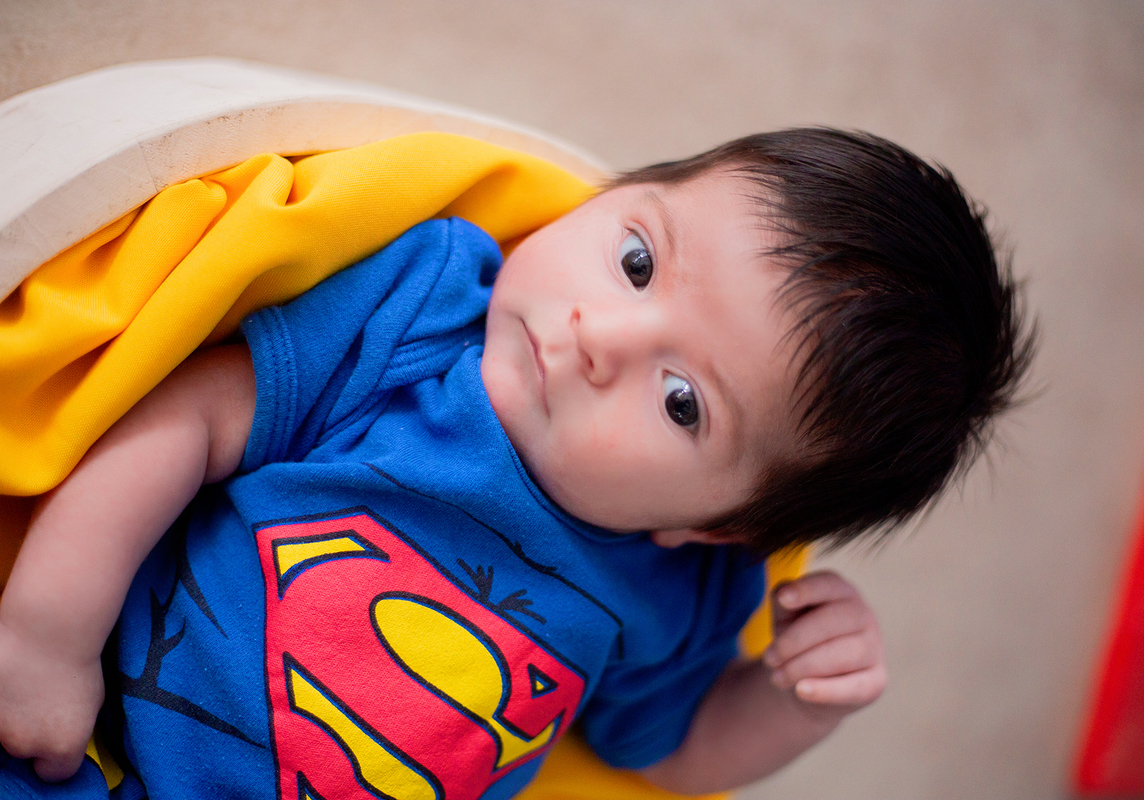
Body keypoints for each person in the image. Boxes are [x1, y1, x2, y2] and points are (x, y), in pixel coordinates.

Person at [0, 128, 1032, 799]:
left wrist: (793, 701)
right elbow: (192, 420)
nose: (600, 335)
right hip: (85, 737)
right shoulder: (426, 311)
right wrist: (48, 628)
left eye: (682, 401)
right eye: (636, 260)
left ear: (717, 522)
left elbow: (664, 750)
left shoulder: (682, 589)